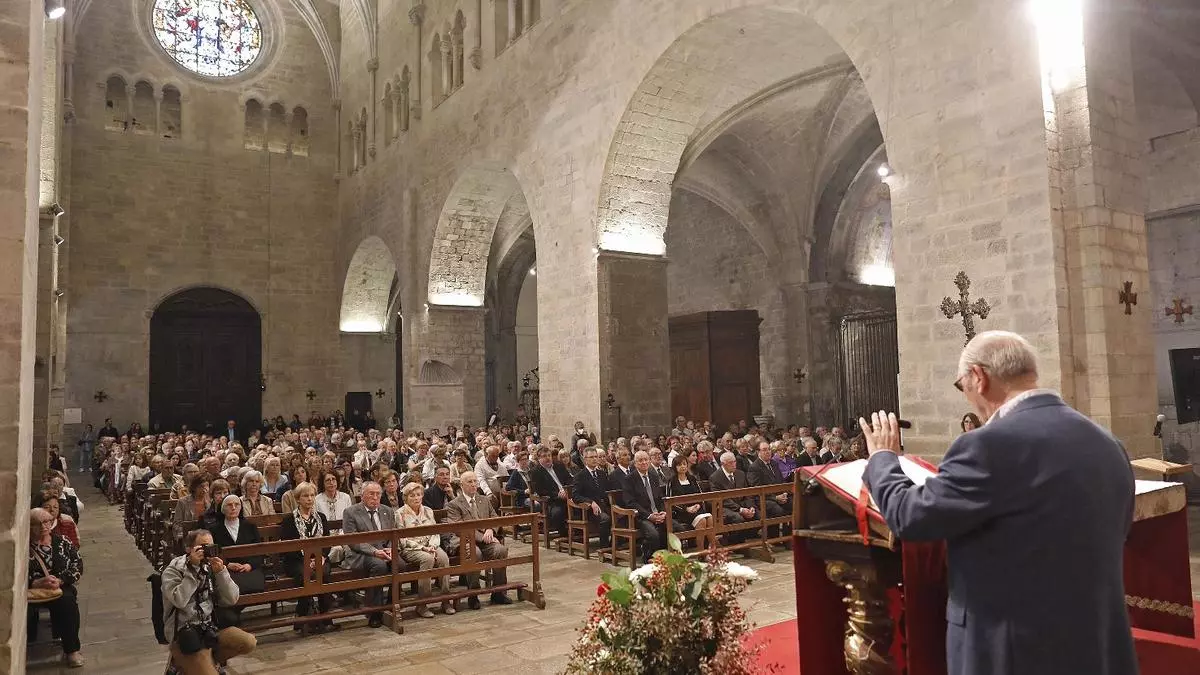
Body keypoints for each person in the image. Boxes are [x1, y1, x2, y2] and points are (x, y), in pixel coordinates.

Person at [859, 330, 1137, 675]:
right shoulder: (1107, 443)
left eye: (962, 387)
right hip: (1096, 643)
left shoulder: (988, 445)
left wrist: (883, 459)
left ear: (978, 376)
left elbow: (911, 517)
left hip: (1014, 651)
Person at [162, 529, 257, 674]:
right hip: (184, 634)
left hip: (208, 629)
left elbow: (232, 599)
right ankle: (186, 662)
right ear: (189, 549)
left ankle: (201, 665)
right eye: (203, 547)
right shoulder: (174, 570)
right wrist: (192, 570)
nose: (207, 551)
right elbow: (179, 601)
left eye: (211, 546)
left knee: (248, 642)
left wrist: (221, 573)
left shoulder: (210, 567)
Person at [445, 471, 514, 609]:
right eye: (469, 482)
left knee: (500, 550)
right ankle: (473, 594)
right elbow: (458, 527)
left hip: (486, 539)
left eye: (475, 481)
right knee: (475, 553)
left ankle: (499, 592)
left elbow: (494, 517)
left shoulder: (484, 500)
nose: (473, 484)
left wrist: (490, 529)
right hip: (464, 541)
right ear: (461, 485)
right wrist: (482, 537)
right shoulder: (454, 504)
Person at [28, 507, 84, 667]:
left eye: (46, 522)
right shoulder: (24, 546)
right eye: (37, 523)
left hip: (60, 586)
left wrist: (60, 580)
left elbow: (78, 565)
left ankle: (72, 650)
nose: (43, 526)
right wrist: (35, 582)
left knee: (67, 602)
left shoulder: (62, 541)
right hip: (32, 590)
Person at [280, 482, 339, 633]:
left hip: (320, 558)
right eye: (305, 496)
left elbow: (326, 541)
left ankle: (325, 617)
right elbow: (287, 547)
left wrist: (322, 556)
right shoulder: (288, 520)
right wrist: (307, 560)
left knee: (324, 572)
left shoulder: (321, 517)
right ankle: (302, 613)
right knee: (305, 573)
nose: (310, 499)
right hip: (296, 560)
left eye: (312, 495)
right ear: (298, 499)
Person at [341, 482, 397, 628]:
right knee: (379, 566)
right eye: (371, 493)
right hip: (361, 553)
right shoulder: (351, 512)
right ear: (362, 495)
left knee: (400, 564)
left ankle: (392, 604)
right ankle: (374, 612)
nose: (375, 497)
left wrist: (390, 549)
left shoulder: (387, 511)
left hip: (384, 551)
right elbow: (352, 540)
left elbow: (393, 535)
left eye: (378, 494)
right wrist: (374, 552)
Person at [395, 482, 454, 618]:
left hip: (431, 545)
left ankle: (446, 600)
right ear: (406, 498)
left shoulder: (428, 510)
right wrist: (423, 548)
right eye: (412, 496)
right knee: (427, 559)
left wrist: (433, 546)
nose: (416, 498)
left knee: (443, 558)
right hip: (412, 548)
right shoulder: (400, 514)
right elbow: (402, 540)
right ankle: (423, 603)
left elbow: (434, 531)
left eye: (419, 495)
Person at [570, 447, 612, 549]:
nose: (594, 459)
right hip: (589, 510)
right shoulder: (580, 476)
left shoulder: (601, 474)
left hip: (605, 505)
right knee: (605, 519)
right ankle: (604, 548)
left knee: (624, 516)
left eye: (595, 457)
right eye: (591, 457)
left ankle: (615, 545)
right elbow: (575, 496)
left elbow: (607, 491)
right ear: (585, 459)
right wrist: (591, 502)